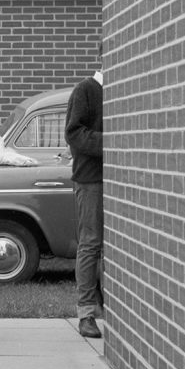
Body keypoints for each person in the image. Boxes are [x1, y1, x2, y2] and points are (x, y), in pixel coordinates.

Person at [65, 46, 104, 339]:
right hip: (90, 180)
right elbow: (74, 133)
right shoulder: (86, 90)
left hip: (117, 181)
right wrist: (112, 141)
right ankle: (86, 313)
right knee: (90, 244)